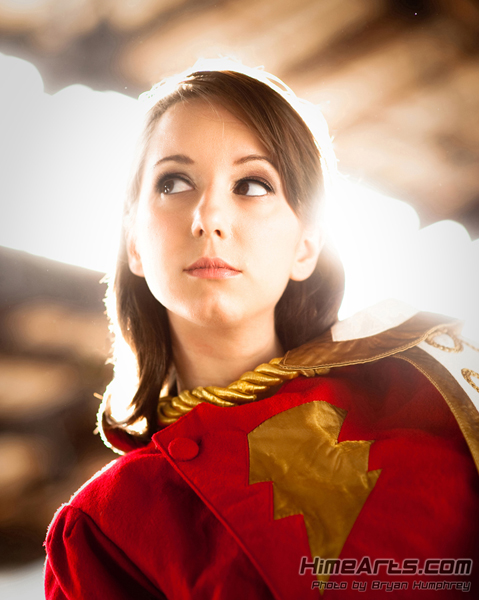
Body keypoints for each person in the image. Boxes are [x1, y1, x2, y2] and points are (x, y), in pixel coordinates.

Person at [44, 62, 479, 599]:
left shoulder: (437, 393)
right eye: (173, 182)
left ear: (306, 246)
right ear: (134, 242)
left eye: (252, 184)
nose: (208, 216)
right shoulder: (106, 528)